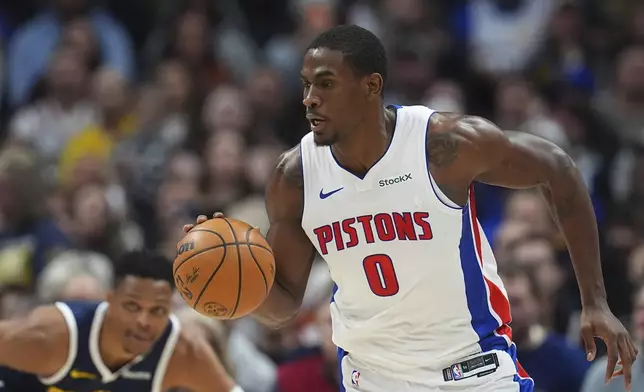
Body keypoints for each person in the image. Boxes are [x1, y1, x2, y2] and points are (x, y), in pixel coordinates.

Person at [185, 25, 638, 392]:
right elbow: (283, 305)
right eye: (306, 86)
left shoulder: (443, 145)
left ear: (371, 87)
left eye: (325, 84)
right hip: (371, 375)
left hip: (471, 367)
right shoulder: (295, 177)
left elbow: (557, 168)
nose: (309, 100)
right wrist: (234, 283)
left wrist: (594, 301)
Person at [0, 250, 242, 392]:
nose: (143, 321)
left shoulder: (180, 350)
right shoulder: (55, 335)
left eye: (157, 311)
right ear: (109, 299)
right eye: (132, 306)